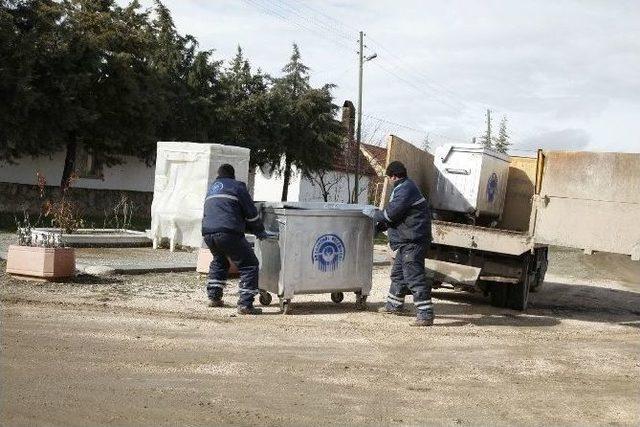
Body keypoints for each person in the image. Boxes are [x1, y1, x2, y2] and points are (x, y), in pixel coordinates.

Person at [362, 161, 435, 326]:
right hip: (408, 240)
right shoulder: (405, 187)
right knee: (398, 274)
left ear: (393, 176)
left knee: (414, 277)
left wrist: (374, 214)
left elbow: (390, 214)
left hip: (413, 241)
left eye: (389, 177)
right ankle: (394, 305)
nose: (389, 180)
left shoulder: (405, 189)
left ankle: (425, 314)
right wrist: (380, 227)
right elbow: (398, 215)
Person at [201, 164, 270, 315]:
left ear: (219, 175)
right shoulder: (237, 186)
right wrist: (259, 230)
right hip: (228, 233)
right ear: (232, 176)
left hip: (208, 233)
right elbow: (251, 213)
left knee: (220, 261)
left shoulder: (212, 189)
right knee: (249, 265)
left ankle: (214, 297)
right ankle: (245, 304)